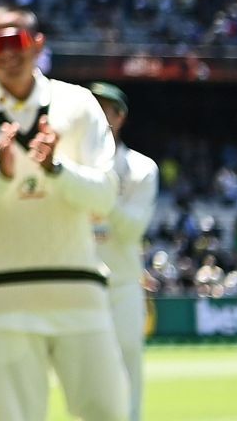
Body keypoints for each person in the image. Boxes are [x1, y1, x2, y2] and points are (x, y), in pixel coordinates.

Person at [0, 9, 128, 421]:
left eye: (17, 42)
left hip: (79, 293)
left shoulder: (78, 103)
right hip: (2, 301)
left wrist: (57, 170)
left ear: (38, 44)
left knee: (107, 412)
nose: (8, 54)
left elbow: (105, 196)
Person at [91, 84, 158, 420]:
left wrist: (102, 192)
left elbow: (131, 229)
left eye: (106, 109)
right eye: (93, 107)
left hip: (122, 284)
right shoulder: (66, 165)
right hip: (82, 284)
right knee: (84, 373)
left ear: (120, 116)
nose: (99, 116)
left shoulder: (141, 169)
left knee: (128, 365)